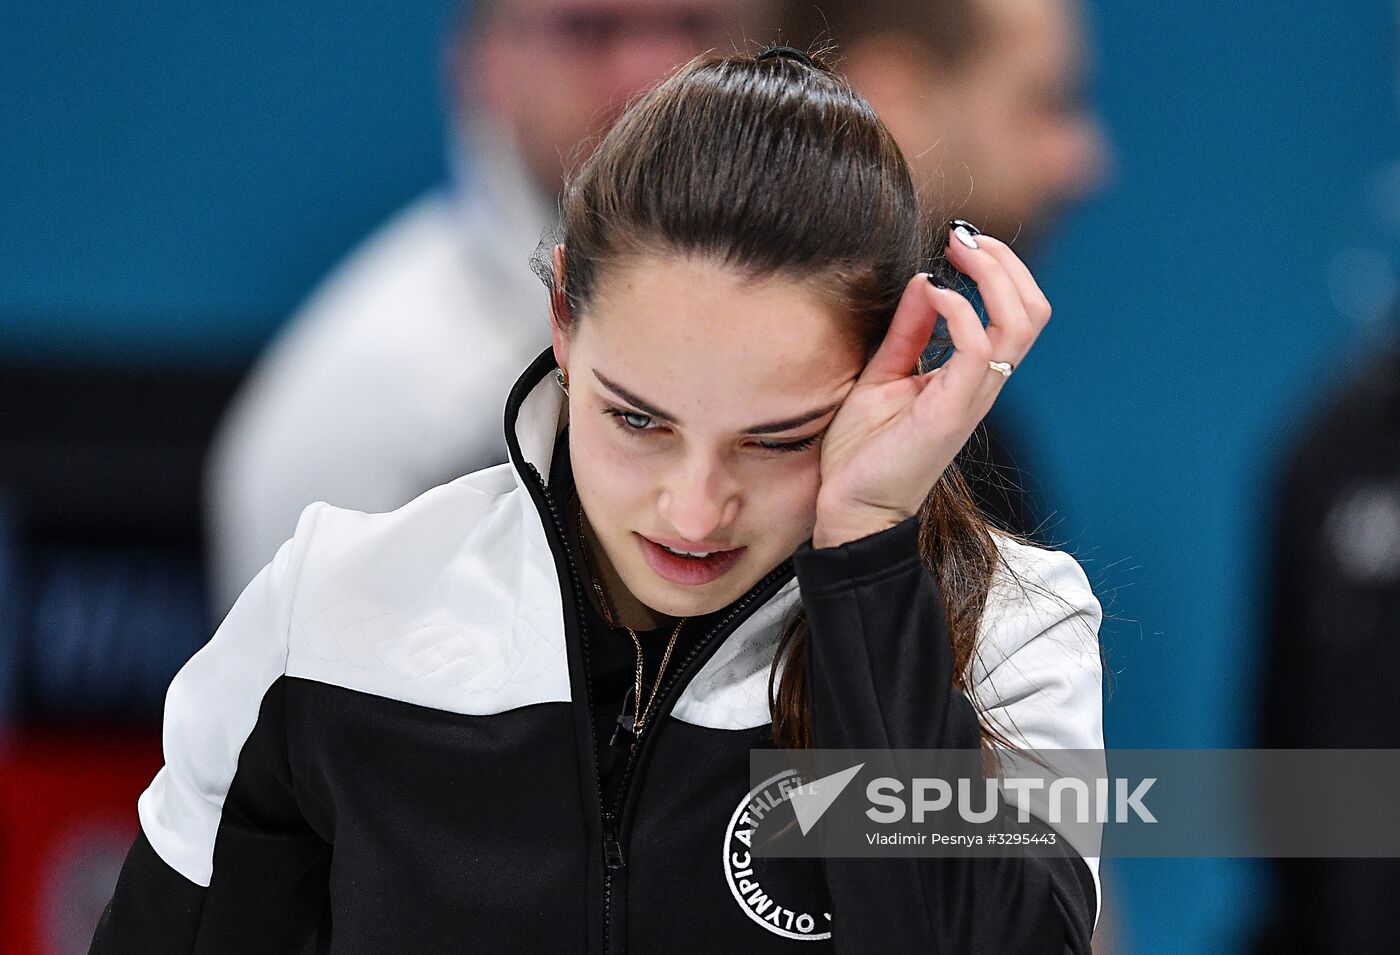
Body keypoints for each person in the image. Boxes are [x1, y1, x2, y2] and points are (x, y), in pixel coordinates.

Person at [93, 47, 1104, 952]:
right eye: (637, 421)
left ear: (894, 370)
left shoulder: (1011, 630)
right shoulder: (329, 612)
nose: (694, 510)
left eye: (777, 439)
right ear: (562, 321)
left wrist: (867, 564)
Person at [204, 0, 762, 615]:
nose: (655, 73)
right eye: (588, 30)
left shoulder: (847, 331)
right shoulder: (366, 411)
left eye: (694, 26)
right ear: (485, 64)